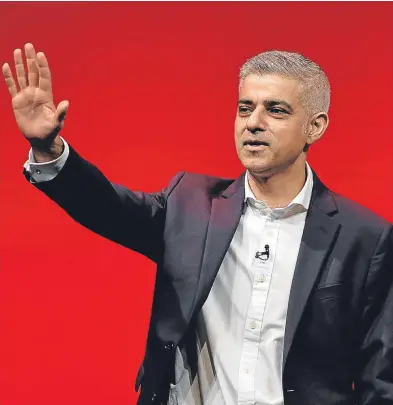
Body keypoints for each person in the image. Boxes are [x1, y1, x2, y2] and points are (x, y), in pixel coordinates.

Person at [3, 43, 393, 405]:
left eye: (275, 110)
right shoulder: (190, 204)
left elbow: (381, 377)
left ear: (316, 126)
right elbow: (106, 207)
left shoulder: (365, 238)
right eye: (244, 108)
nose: (253, 123)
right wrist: (49, 150)